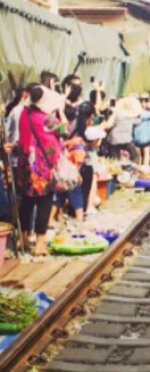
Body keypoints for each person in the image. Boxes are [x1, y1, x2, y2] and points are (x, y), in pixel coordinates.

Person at [15, 86, 68, 256]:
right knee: (44, 203)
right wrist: (60, 110)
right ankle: (39, 244)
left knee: (27, 203)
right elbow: (64, 130)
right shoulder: (47, 119)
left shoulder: (24, 115)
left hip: (25, 166)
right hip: (43, 169)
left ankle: (22, 238)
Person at [133, 95, 150, 165]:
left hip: (136, 138)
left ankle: (136, 170)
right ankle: (145, 170)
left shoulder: (133, 114)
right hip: (146, 138)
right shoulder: (146, 113)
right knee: (146, 155)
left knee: (137, 156)